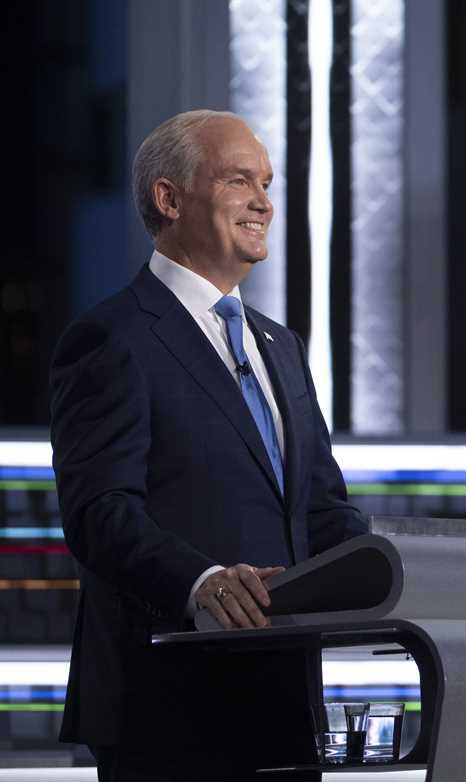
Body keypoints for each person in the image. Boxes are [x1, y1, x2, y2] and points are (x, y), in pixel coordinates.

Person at [49, 110, 369, 781]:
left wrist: (396, 562)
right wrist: (202, 583)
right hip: (166, 701)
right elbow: (100, 513)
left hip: (281, 700)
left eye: (267, 184)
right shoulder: (113, 338)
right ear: (170, 199)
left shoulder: (281, 346)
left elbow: (318, 508)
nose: (263, 203)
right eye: (237, 181)